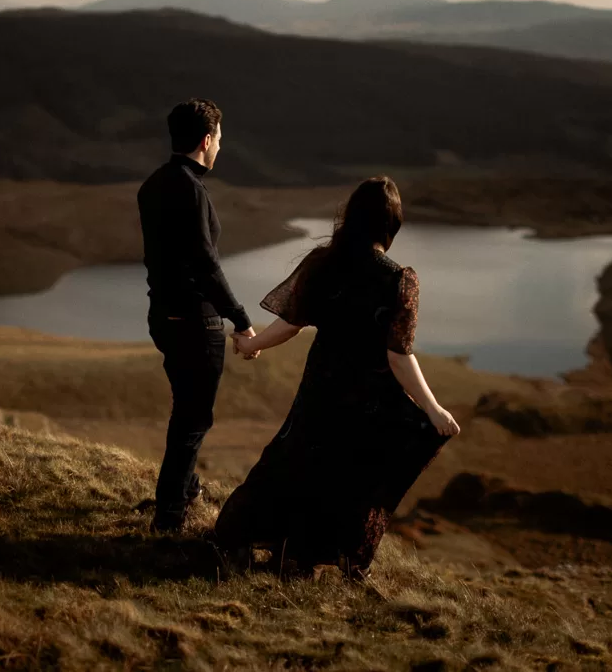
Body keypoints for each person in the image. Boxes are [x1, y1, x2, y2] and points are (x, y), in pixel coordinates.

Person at [215, 176, 460, 576]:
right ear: (390, 224)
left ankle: (267, 543)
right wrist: (432, 409)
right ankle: (321, 556)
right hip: (369, 396)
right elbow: (398, 356)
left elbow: (291, 323)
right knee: (350, 474)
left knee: (295, 460)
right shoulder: (400, 280)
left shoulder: (323, 263)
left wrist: (251, 344)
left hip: (320, 386)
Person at [138, 98, 258, 532]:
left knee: (185, 408)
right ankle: (169, 516)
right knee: (194, 418)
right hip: (195, 322)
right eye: (220, 139)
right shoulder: (191, 189)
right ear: (207, 140)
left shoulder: (153, 184)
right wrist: (241, 319)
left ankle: (185, 488)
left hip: (163, 318)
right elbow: (205, 264)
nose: (221, 148)